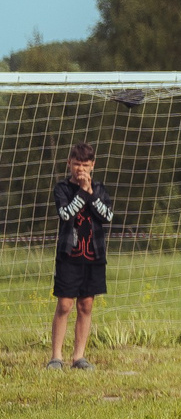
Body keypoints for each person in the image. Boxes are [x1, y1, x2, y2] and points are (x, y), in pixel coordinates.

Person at [47, 142, 111, 370]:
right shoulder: (62, 189)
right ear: (69, 163)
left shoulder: (99, 189)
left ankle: (79, 357)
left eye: (85, 165)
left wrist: (90, 193)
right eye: (76, 164)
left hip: (94, 256)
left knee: (86, 305)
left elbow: (107, 216)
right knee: (64, 304)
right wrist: (82, 192)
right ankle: (56, 357)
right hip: (69, 255)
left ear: (93, 165)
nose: (80, 169)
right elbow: (66, 214)